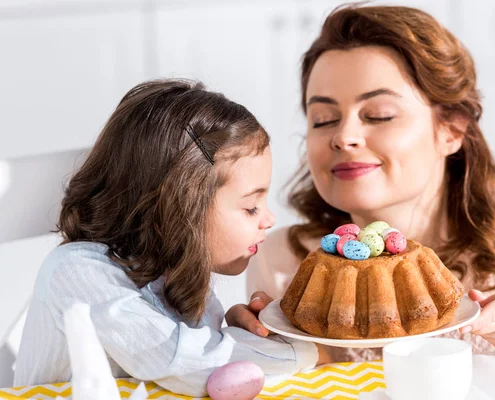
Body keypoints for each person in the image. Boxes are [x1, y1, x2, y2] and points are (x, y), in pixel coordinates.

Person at [234, 4, 495, 360]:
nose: (344, 136)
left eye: (379, 115)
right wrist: (244, 353)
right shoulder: (281, 260)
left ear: (451, 129)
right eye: (323, 119)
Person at [14, 79, 330, 396]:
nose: (269, 219)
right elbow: (186, 364)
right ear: (181, 208)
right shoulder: (77, 272)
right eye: (250, 207)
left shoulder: (178, 270)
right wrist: (302, 351)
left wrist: (243, 336)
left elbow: (214, 370)